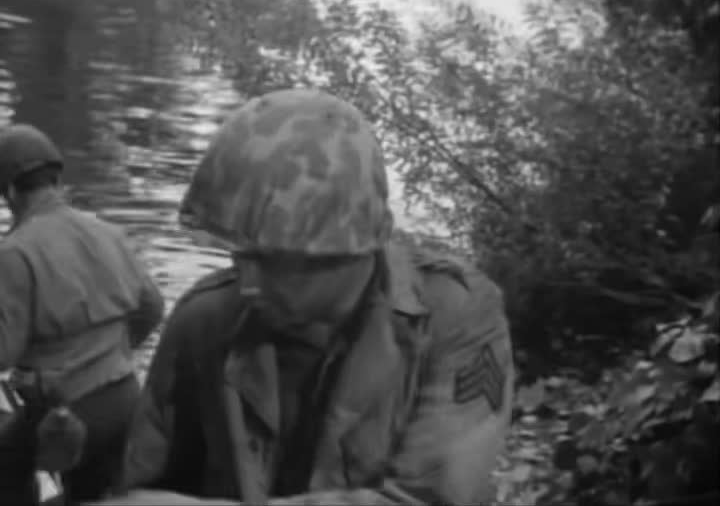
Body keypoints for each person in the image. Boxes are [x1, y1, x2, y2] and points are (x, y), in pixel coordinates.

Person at [111, 89, 514, 506]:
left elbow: (436, 499)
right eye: (241, 256)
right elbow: (146, 483)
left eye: (278, 263)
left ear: (353, 251)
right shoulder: (205, 319)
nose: (248, 284)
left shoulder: (451, 317)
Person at [0, 124, 165, 503]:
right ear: (56, 179)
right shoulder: (107, 232)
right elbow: (152, 307)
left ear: (10, 192)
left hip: (64, 415)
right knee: (96, 495)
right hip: (127, 398)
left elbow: (5, 351)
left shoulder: (15, 253)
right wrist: (112, 352)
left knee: (6, 472)